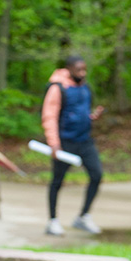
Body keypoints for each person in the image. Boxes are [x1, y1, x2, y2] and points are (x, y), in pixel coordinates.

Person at [42, 55, 105, 236]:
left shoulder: (85, 87)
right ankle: (52, 221)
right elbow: (49, 116)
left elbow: (81, 113)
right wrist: (54, 143)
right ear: (69, 68)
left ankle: (83, 216)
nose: (83, 73)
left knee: (96, 175)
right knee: (57, 181)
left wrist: (93, 116)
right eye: (79, 69)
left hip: (85, 141)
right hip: (64, 142)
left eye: (84, 69)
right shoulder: (57, 87)